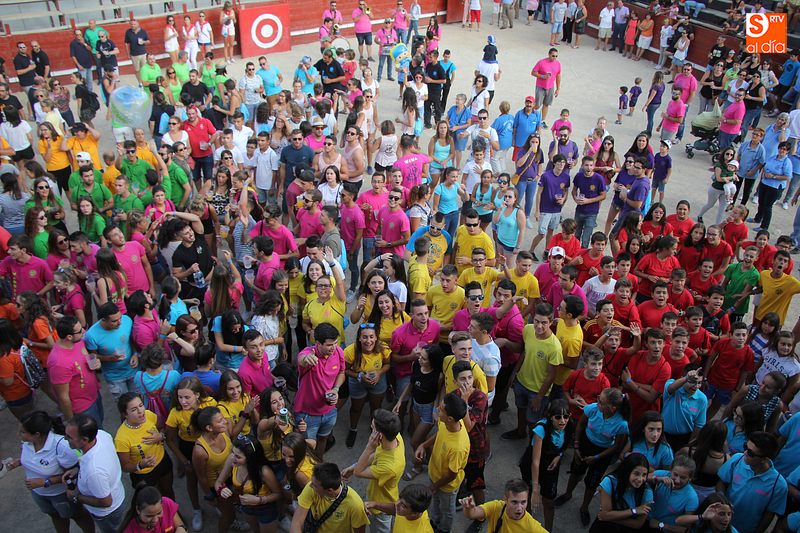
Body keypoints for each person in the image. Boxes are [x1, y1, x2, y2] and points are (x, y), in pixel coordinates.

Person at [14, 411, 96, 533]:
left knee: (78, 516)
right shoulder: (27, 442)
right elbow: (33, 458)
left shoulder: (62, 447)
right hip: (39, 493)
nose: (19, 434)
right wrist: (19, 462)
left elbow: (74, 474)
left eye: (23, 432)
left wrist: (45, 482)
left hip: (60, 495)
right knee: (55, 516)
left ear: (37, 434)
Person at [414, 392, 470, 533]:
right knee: (436, 503)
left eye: (440, 409)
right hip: (435, 474)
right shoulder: (447, 423)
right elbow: (440, 433)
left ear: (450, 418)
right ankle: (434, 521)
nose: (437, 409)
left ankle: (444, 529)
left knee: (447, 509)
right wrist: (424, 445)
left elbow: (452, 475)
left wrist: (433, 487)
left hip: (447, 486)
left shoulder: (458, 447)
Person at [342, 409, 405, 533]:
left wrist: (369, 447)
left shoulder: (389, 467)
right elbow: (377, 454)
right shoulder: (395, 437)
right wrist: (353, 466)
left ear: (380, 435)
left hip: (381, 505)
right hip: (377, 491)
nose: (371, 430)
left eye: (372, 428)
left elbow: (358, 473)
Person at [63, 414, 126, 533]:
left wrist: (75, 496)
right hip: (117, 494)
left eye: (69, 437)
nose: (65, 439)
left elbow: (106, 502)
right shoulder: (101, 435)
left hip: (108, 514)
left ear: (85, 440)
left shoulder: (94, 471)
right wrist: (78, 469)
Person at [717, 431, 788, 533]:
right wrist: (722, 500)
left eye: (750, 453)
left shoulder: (778, 485)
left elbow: (770, 514)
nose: (745, 452)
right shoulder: (737, 459)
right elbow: (722, 482)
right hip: (720, 524)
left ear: (764, 459)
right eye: (745, 447)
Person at [589, 452, 653, 533]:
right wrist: (634, 511)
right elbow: (605, 515)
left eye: (644, 475)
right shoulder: (609, 482)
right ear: (627, 471)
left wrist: (610, 517)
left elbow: (637, 524)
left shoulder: (647, 493)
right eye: (636, 474)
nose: (640, 479)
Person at [461, 478, 548, 533]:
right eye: (514, 502)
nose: (519, 508)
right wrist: (469, 508)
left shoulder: (531, 527)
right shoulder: (496, 507)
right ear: (505, 499)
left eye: (523, 502)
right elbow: (472, 514)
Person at [119, 483, 187, 533]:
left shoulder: (167, 503)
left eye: (159, 513)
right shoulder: (129, 530)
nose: (155, 520)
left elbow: (180, 525)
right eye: (149, 516)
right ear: (138, 510)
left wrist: (181, 528)